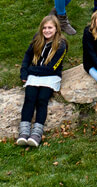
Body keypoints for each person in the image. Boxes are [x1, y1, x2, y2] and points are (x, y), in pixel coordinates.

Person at [17, 15, 68, 148]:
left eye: (50, 28)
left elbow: (51, 68)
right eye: (44, 28)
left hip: (50, 76)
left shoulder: (62, 45)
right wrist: (24, 70)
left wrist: (31, 70)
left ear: (56, 29)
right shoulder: (37, 38)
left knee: (42, 99)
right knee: (29, 98)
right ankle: (24, 132)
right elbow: (28, 55)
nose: (47, 31)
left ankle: (36, 134)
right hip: (34, 74)